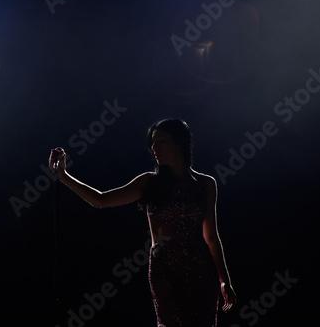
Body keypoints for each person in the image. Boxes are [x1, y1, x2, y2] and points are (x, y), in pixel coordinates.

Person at [49, 118, 236, 327]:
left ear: (179, 143)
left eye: (161, 141)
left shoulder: (206, 184)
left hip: (202, 272)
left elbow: (211, 237)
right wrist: (64, 176)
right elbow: (100, 200)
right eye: (153, 143)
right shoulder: (149, 182)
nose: (154, 148)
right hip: (165, 271)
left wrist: (224, 279)